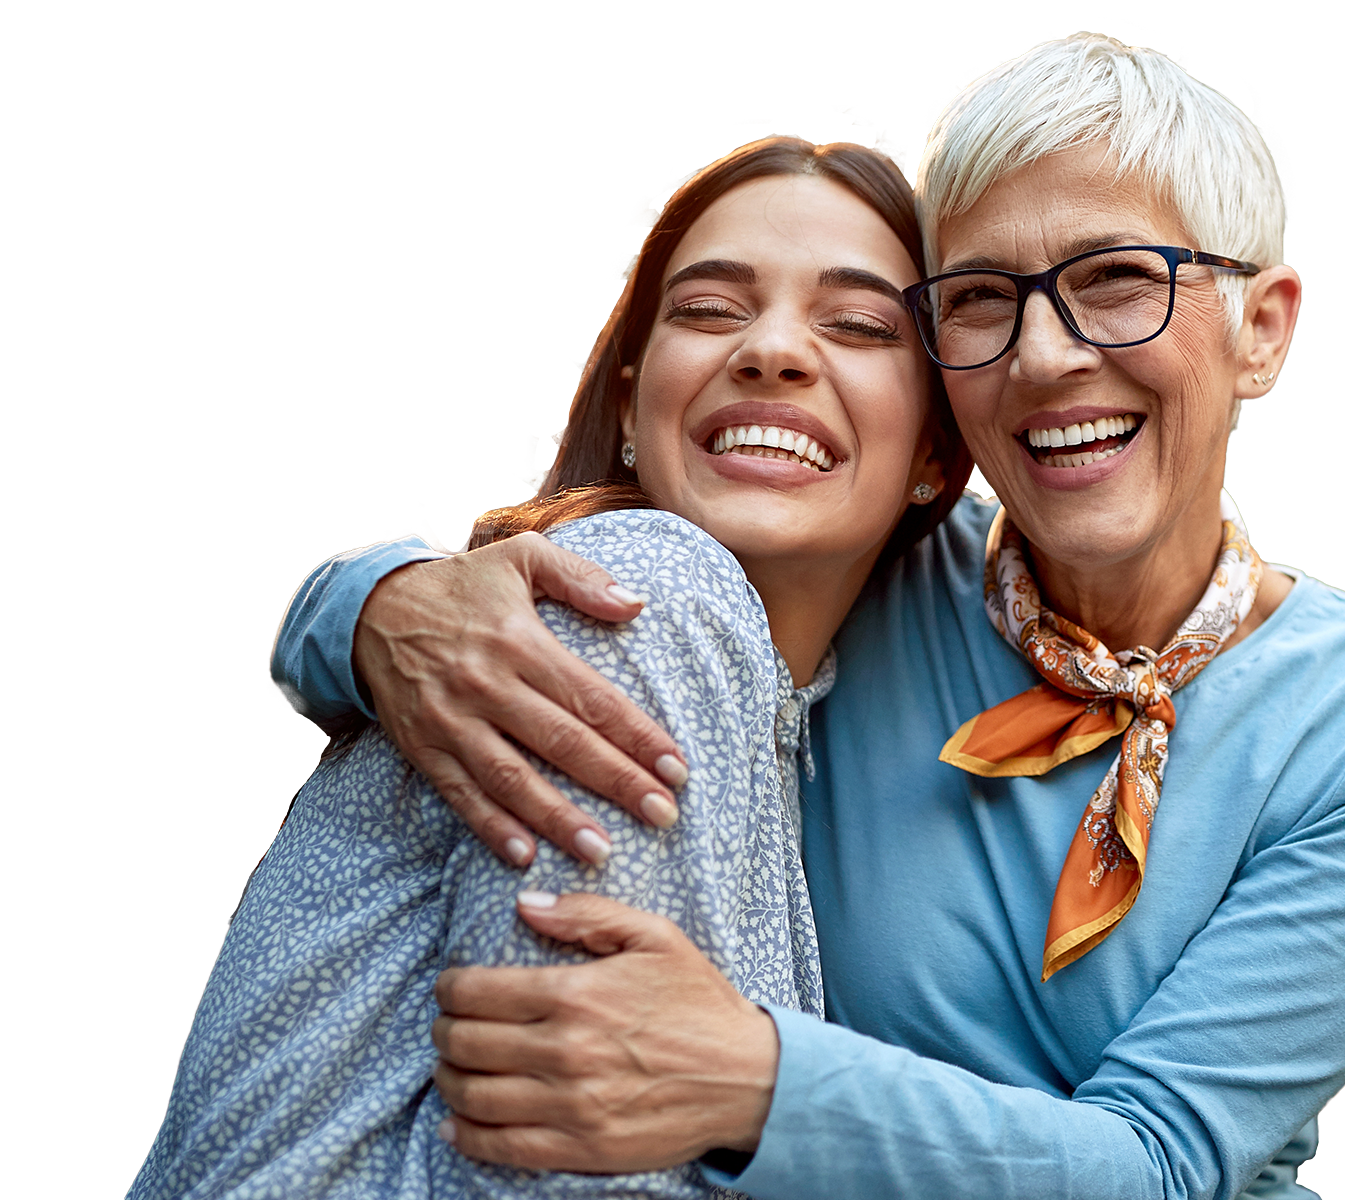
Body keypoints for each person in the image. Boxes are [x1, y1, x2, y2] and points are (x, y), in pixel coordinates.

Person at [272, 30, 1345, 1200]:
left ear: (1262, 328)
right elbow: (621, 569)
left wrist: (756, 1080)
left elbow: (1168, 1165)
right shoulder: (864, 574)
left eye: (1118, 279)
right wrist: (378, 601)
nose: (1044, 356)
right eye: (978, 300)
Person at [129, 129, 966, 1199]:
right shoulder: (649, 593)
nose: (773, 351)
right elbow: (566, 1172)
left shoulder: (815, 702)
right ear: (627, 402)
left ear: (936, 451)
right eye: (709, 309)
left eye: (854, 325)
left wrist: (353, 598)